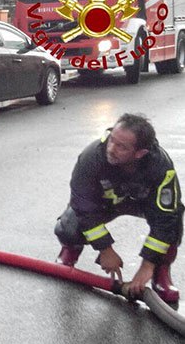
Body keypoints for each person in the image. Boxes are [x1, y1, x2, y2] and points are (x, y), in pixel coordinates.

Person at [55, 113, 181, 304]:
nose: (111, 149)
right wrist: (105, 249)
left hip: (141, 203)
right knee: (71, 222)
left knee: (174, 219)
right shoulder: (92, 157)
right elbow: (83, 206)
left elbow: (165, 218)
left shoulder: (160, 167)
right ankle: (70, 251)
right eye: (112, 139)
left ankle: (160, 271)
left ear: (140, 153)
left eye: (121, 146)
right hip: (104, 203)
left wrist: (147, 265)